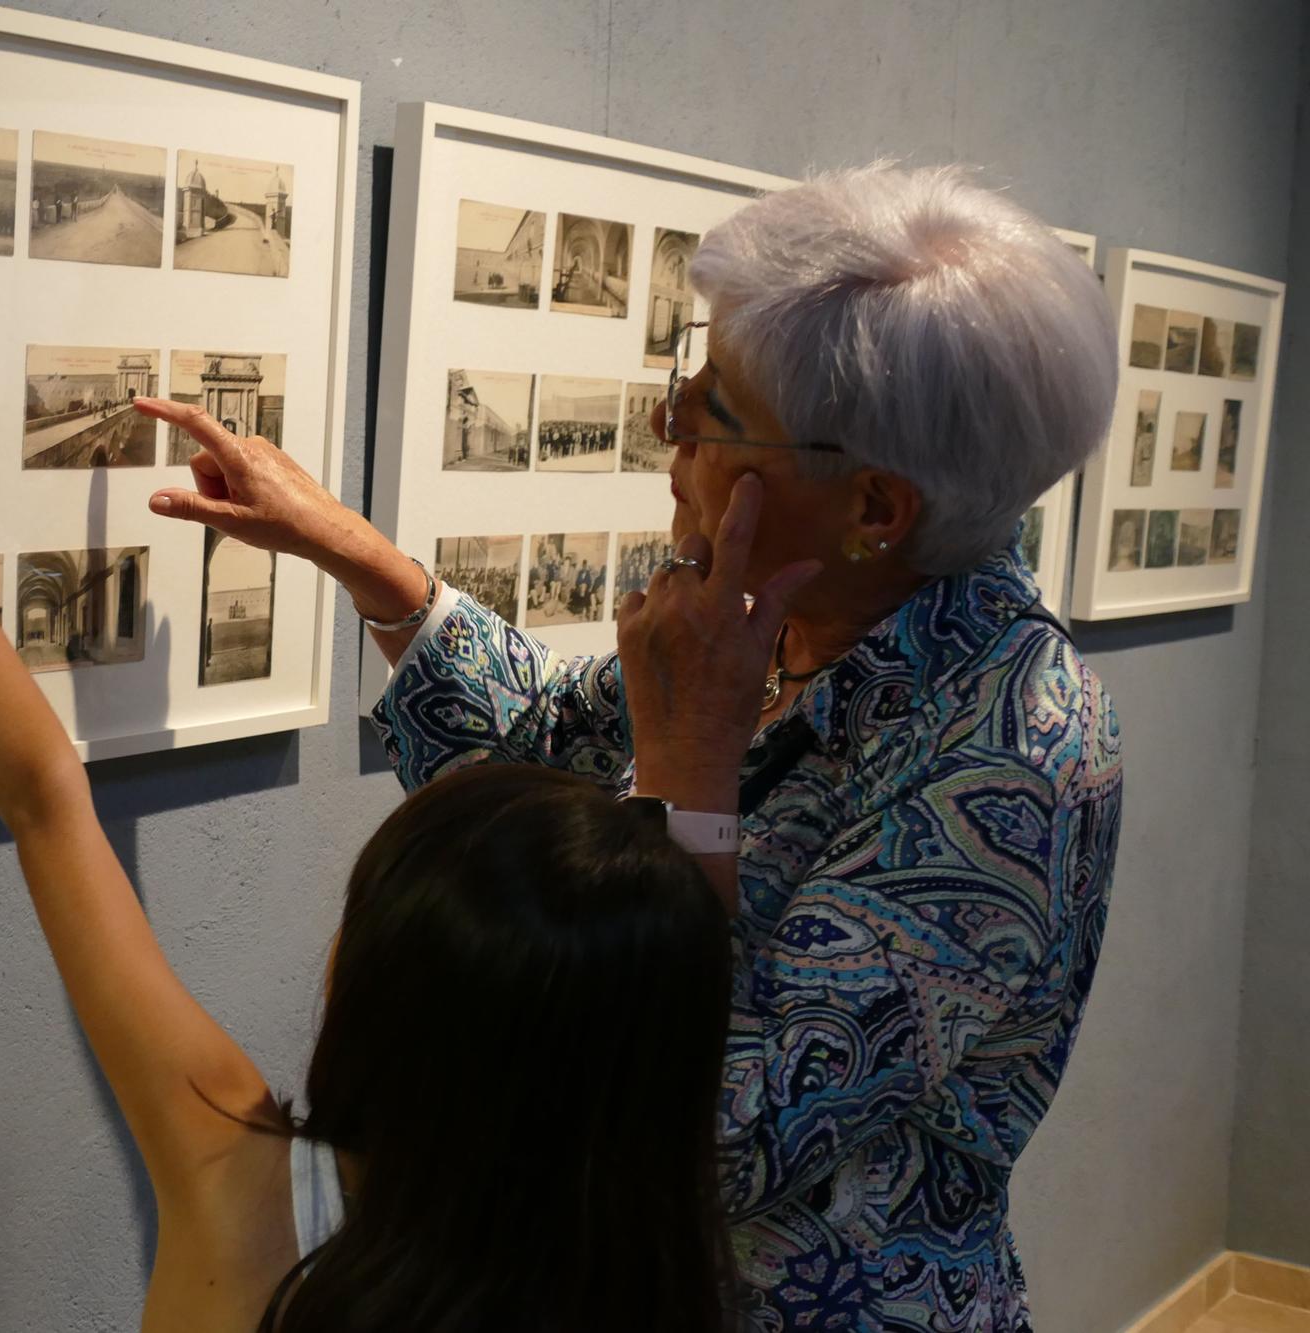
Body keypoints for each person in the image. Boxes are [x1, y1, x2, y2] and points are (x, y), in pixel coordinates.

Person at [135, 162, 1123, 1331]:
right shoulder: (769, 620)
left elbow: (714, 1125)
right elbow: (538, 757)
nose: (668, 430)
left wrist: (691, 775)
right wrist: (360, 557)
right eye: (687, 382)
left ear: (873, 509)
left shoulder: (1015, 747)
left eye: (713, 413)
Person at [0, 429, 744, 1333]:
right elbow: (663, 988)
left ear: (375, 993)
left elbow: (45, 801)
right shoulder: (660, 1284)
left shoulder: (250, 1192)